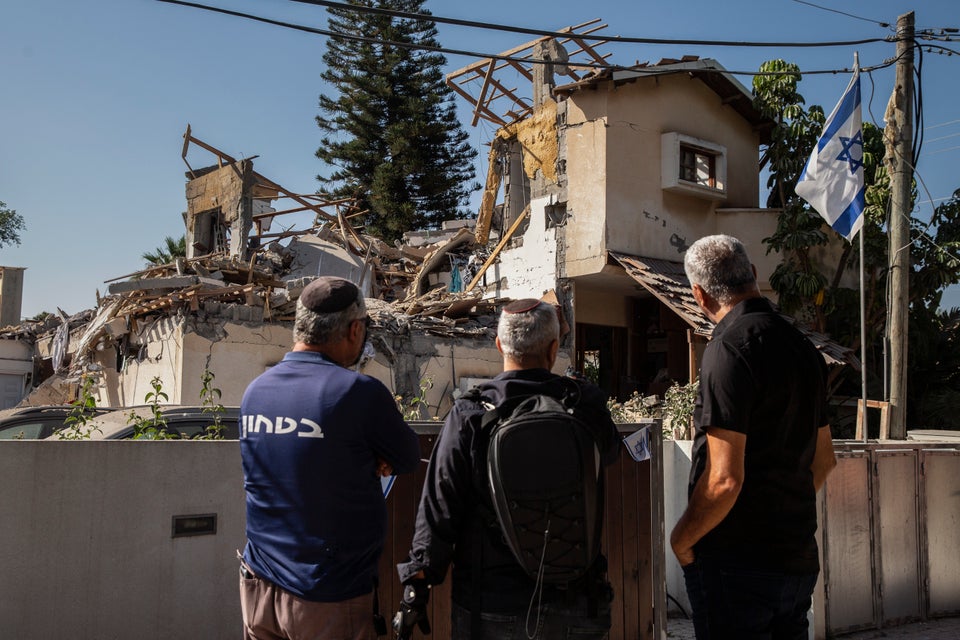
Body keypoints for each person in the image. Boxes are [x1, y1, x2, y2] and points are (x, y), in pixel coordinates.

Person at [396, 298, 620, 639]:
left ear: (499, 344)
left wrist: (417, 583)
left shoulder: (470, 413)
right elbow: (612, 452)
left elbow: (440, 507)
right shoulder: (584, 405)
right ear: (553, 348)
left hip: (491, 605)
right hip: (578, 602)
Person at [670, 235, 838, 639]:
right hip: (795, 557)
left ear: (699, 295)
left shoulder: (728, 349)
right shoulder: (804, 348)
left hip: (737, 564)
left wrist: (682, 539)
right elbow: (824, 459)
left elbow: (725, 479)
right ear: (754, 275)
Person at [238, 276, 421, 640]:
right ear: (354, 329)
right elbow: (407, 457)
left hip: (258, 588)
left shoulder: (256, 391)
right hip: (325, 597)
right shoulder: (358, 393)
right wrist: (373, 457)